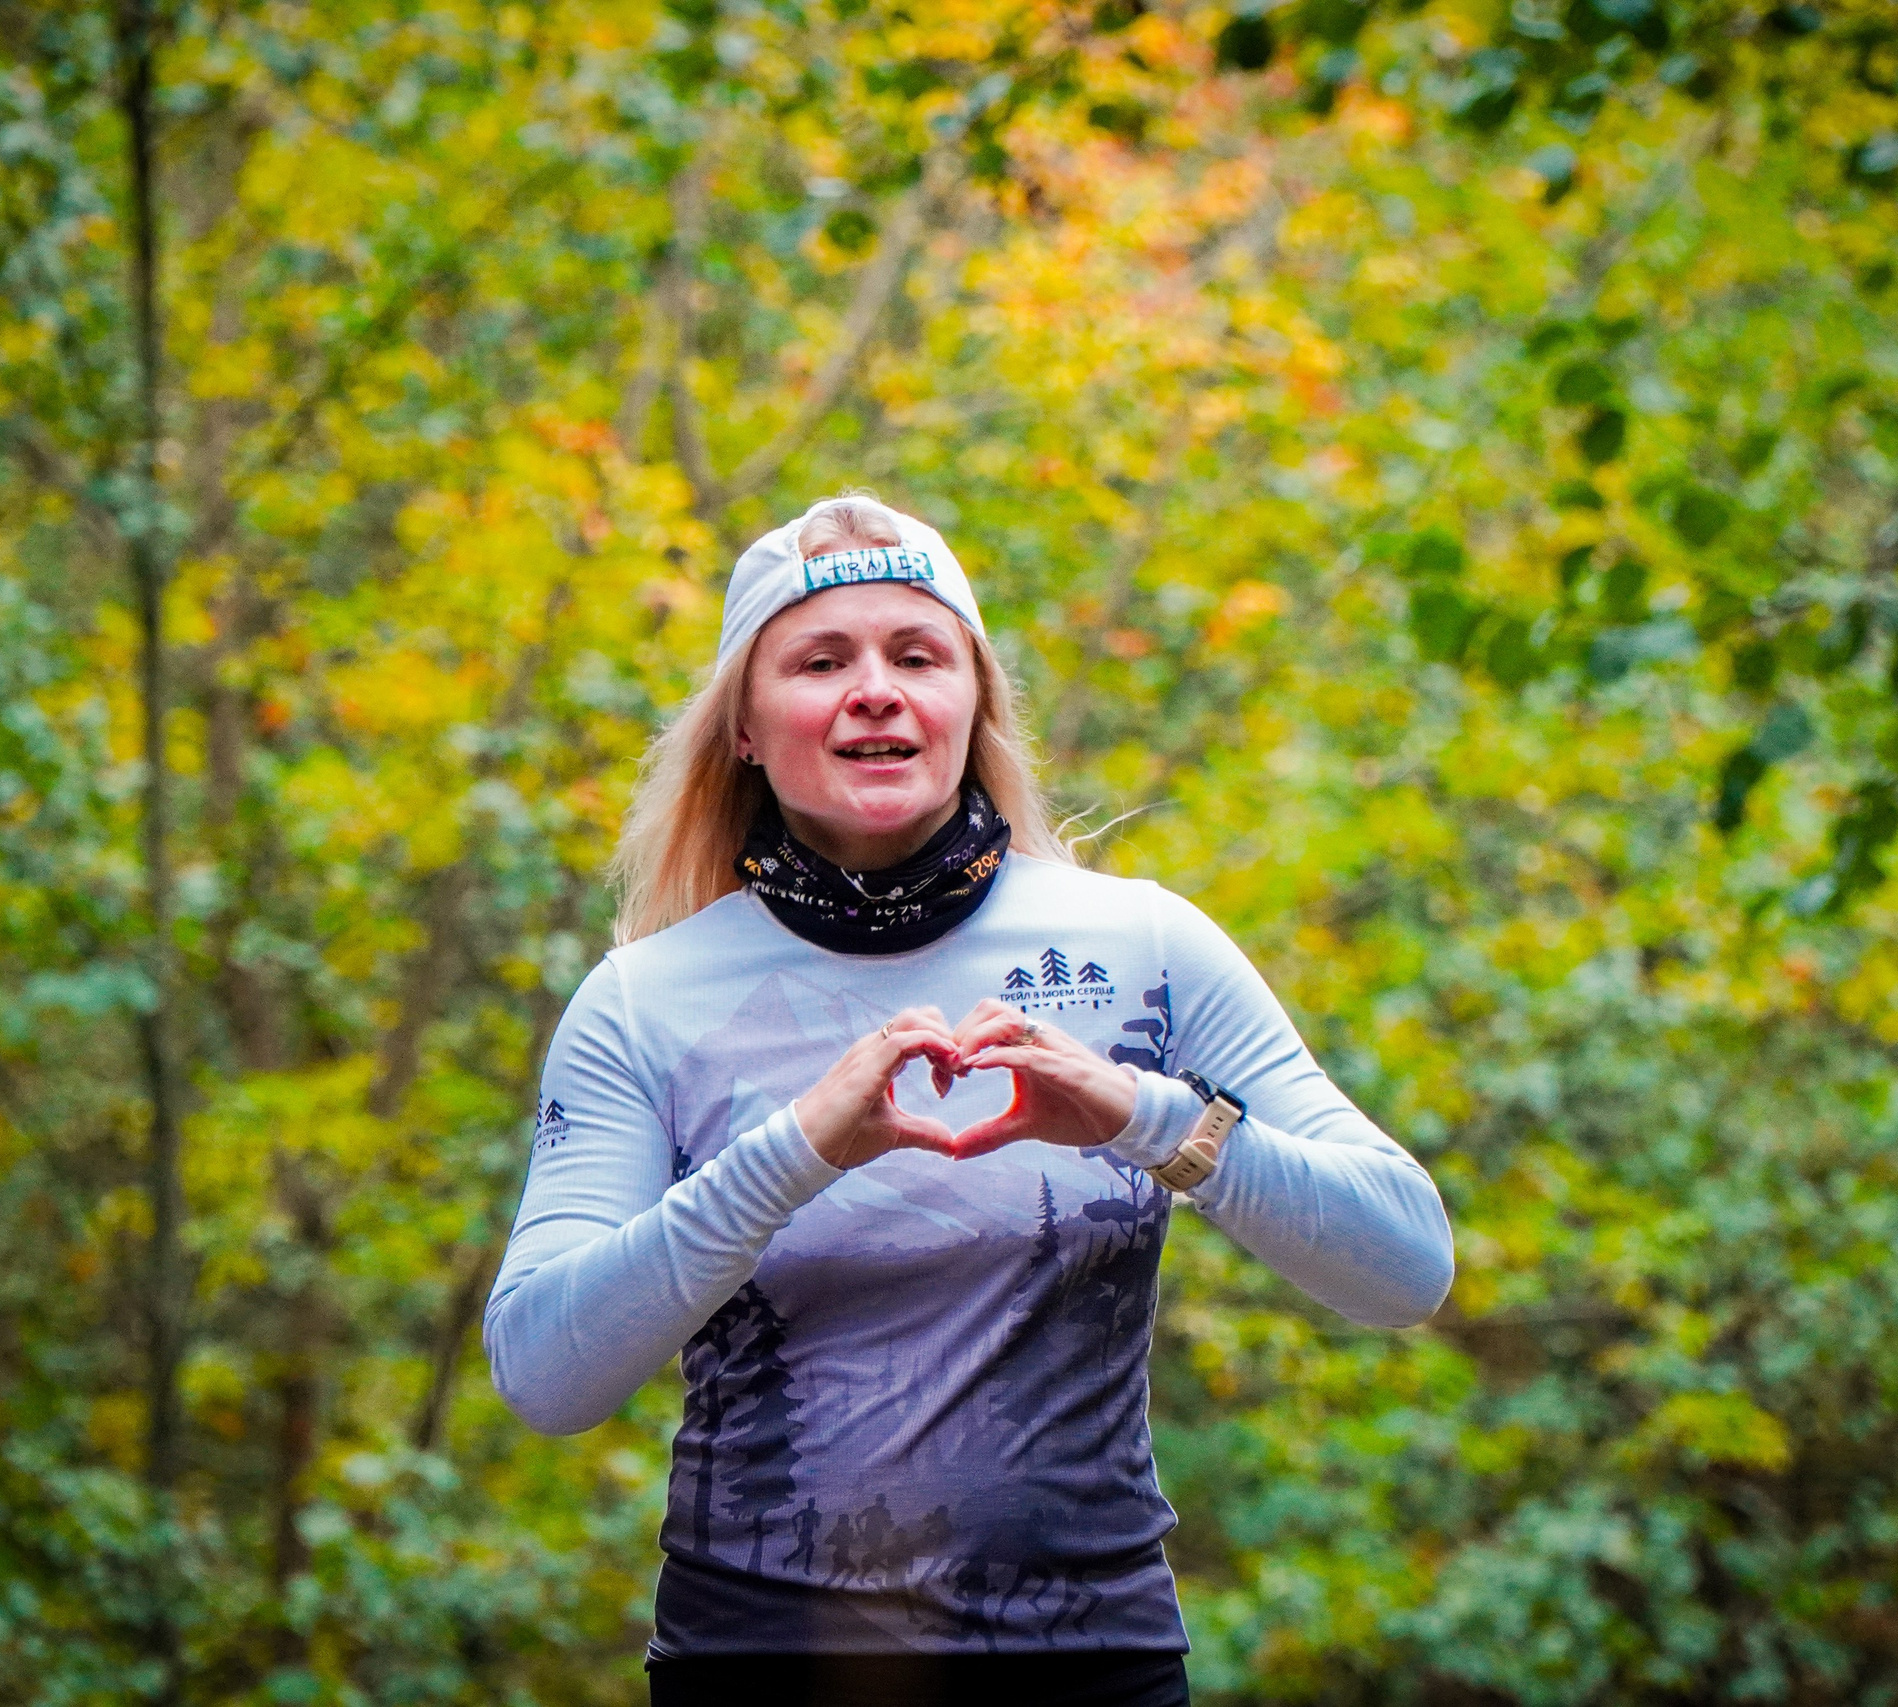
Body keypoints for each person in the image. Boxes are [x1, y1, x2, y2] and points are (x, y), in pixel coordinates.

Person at [485, 494, 1454, 1707]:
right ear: (742, 726)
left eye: (918, 655)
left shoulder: (1144, 946)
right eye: (820, 661)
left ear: (975, 701)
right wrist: (790, 1156)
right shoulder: (643, 999)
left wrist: (1149, 1120)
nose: (875, 691)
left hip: (1090, 1664)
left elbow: (1406, 1265)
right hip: (759, 1663)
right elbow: (543, 1375)